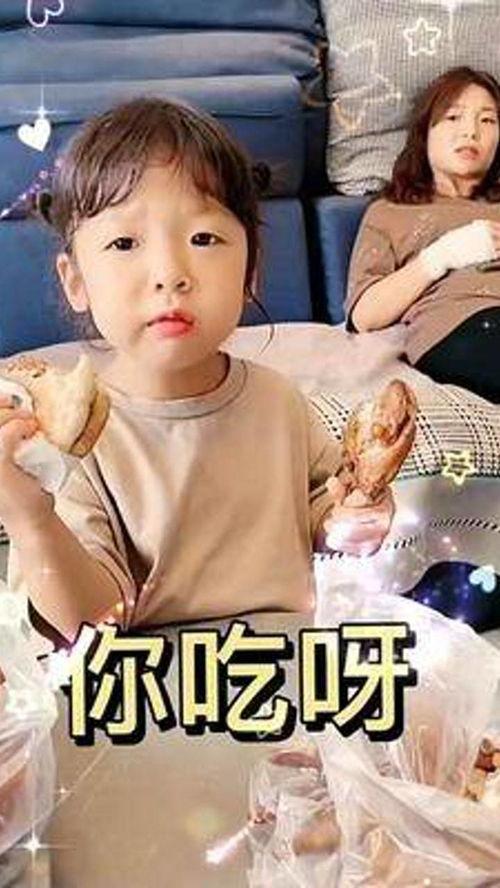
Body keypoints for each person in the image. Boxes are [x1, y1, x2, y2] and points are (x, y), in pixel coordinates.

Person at [0, 98, 398, 645]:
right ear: (76, 282)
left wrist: (354, 515)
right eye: (124, 243)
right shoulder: (74, 443)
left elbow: (322, 512)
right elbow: (86, 624)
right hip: (150, 681)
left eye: (203, 239)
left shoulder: (279, 401)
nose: (169, 273)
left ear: (250, 271)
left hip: (281, 666)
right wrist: (30, 519)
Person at [346, 66, 500, 403]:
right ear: (424, 133)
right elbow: (364, 316)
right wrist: (445, 254)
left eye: (488, 120)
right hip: (466, 324)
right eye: (453, 117)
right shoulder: (390, 212)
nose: (471, 131)